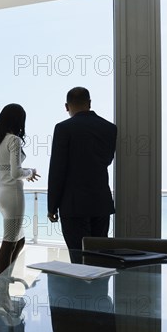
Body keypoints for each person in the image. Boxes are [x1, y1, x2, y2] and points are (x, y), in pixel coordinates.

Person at [47, 87, 117, 261]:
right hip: (101, 202)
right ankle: (100, 288)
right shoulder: (110, 128)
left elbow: (57, 169)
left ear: (66, 106)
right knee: (99, 259)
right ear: (90, 103)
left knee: (79, 260)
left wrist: (52, 206)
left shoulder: (63, 128)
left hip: (73, 205)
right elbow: (107, 160)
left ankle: (82, 289)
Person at [0, 104, 40, 274]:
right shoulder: (13, 140)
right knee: (9, 241)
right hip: (13, 195)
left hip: (0, 195)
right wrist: (30, 172)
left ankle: (6, 278)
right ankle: (1, 290)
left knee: (20, 240)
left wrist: (4, 173)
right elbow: (17, 172)